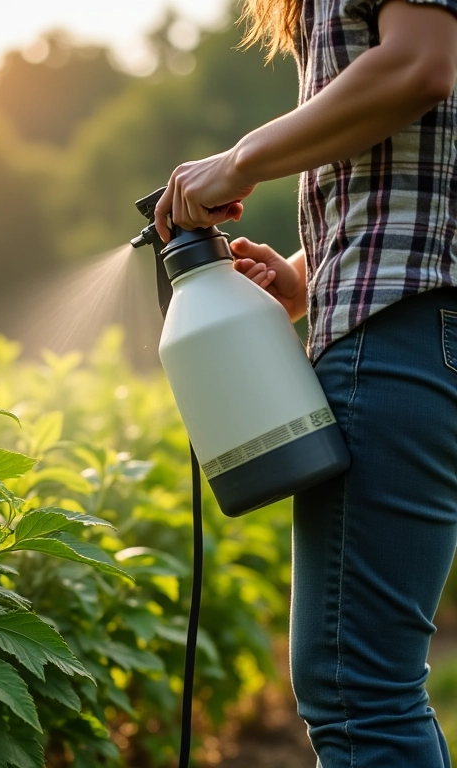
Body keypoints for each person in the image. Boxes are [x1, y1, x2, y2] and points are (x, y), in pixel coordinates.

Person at [154, 0, 457, 765]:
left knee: (359, 689)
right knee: (372, 683)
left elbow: (420, 66)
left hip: (400, 335)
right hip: (426, 324)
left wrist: (238, 161)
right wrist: (303, 278)